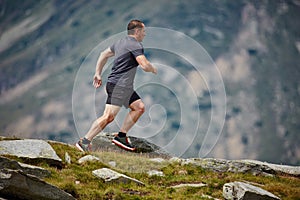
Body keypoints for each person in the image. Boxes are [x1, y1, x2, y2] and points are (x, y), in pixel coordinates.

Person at [76, 19, 157, 152]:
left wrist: (98, 73)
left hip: (123, 86)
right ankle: (84, 141)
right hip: (119, 86)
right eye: (143, 31)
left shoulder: (120, 43)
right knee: (108, 116)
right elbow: (144, 65)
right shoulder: (135, 45)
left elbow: (103, 54)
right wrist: (152, 68)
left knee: (139, 107)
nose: (145, 34)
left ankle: (121, 136)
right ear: (137, 31)